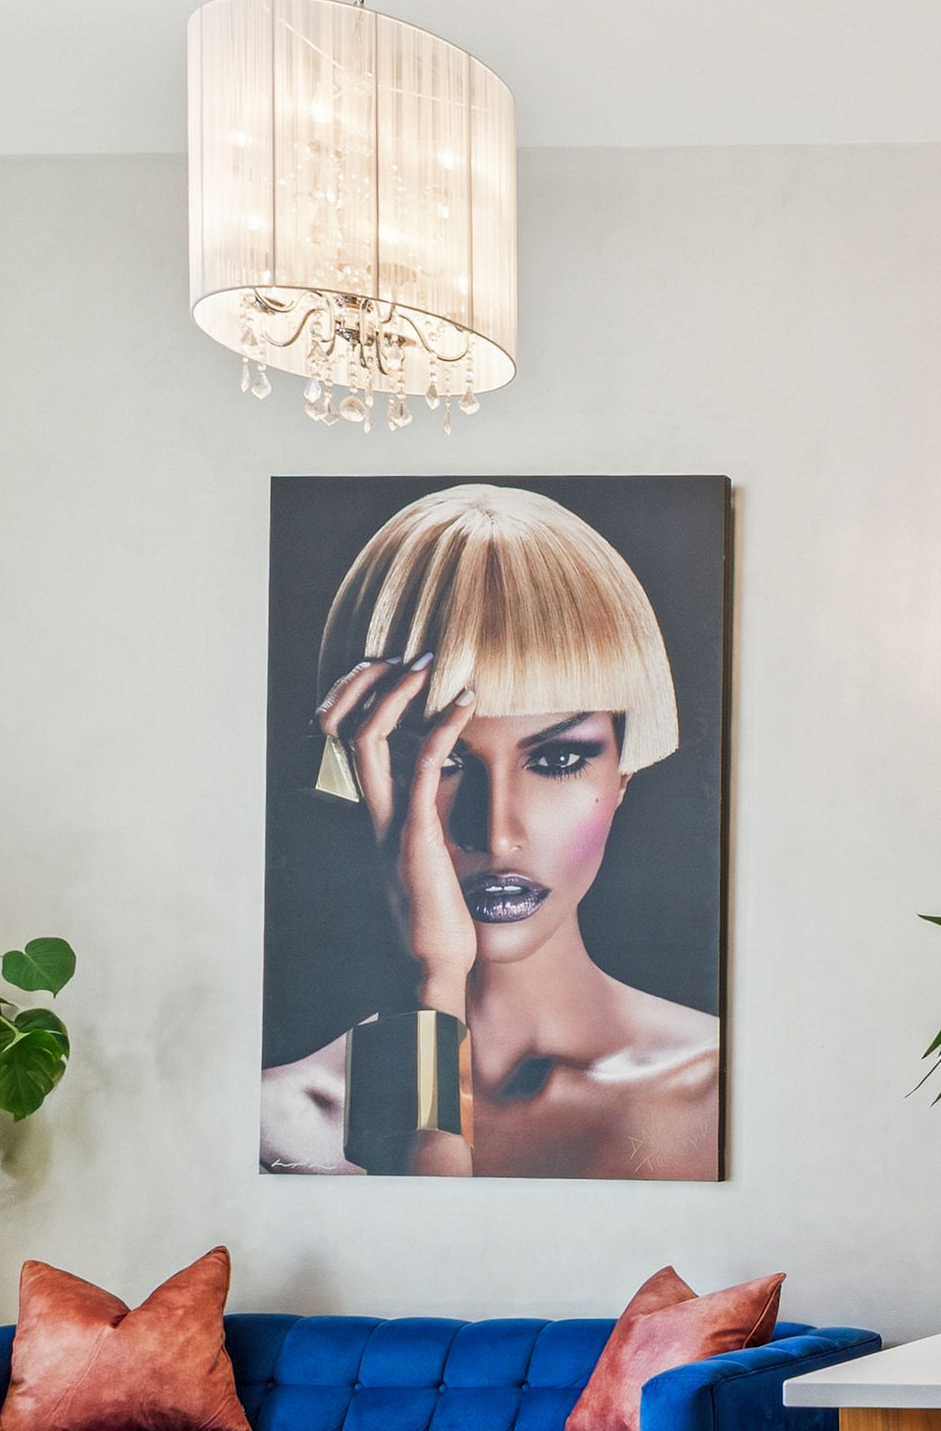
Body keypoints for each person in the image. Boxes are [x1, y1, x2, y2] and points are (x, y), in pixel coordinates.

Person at [260, 485, 719, 1179]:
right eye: (436, 762)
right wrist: (434, 982)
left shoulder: (722, 1096)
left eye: (558, 758)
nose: (496, 834)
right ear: (364, 774)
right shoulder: (285, 1121)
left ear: (624, 770)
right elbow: (434, 1266)